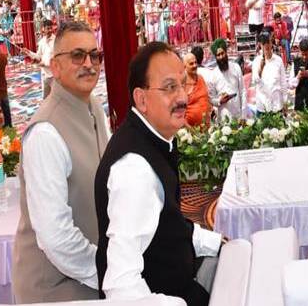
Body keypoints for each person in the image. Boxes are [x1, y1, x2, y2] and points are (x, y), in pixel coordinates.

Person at [95, 42, 222, 305]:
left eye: (183, 84)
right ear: (142, 99)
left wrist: (218, 243)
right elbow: (121, 283)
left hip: (180, 280)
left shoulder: (155, 140)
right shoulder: (134, 169)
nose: (183, 97)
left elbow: (169, 225)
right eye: (169, 87)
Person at [13, 21, 109, 303]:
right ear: (55, 67)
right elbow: (56, 238)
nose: (89, 64)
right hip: (56, 287)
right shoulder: (45, 133)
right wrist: (110, 271)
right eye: (77, 56)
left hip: (94, 270)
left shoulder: (94, 107)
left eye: (95, 55)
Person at [208, 38, 246, 121]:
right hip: (223, 118)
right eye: (218, 55)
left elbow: (242, 91)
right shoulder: (213, 75)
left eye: (222, 53)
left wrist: (243, 115)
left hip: (238, 115)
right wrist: (220, 101)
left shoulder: (236, 68)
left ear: (226, 52)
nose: (221, 57)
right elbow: (211, 98)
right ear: (215, 57)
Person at [252, 32, 288, 115]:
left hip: (277, 105)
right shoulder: (256, 61)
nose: (266, 45)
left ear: (271, 42)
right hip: (262, 106)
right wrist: (260, 69)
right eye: (264, 43)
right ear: (260, 45)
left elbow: (283, 83)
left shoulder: (278, 60)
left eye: (268, 42)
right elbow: (254, 82)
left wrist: (285, 102)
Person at [22, 19, 56, 98]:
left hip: (54, 75)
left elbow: (57, 58)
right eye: (48, 28)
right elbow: (38, 56)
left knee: (56, 98)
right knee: (45, 97)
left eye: (51, 28)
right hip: (45, 74)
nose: (50, 30)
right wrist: (28, 52)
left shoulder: (56, 41)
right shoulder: (41, 42)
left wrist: (45, 64)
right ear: (43, 29)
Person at [183, 51, 211, 130]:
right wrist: (191, 131)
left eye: (195, 62)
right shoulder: (182, 84)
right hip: (190, 132)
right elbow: (178, 114)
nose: (195, 65)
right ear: (184, 66)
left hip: (205, 129)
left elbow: (206, 98)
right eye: (191, 64)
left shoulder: (201, 78)